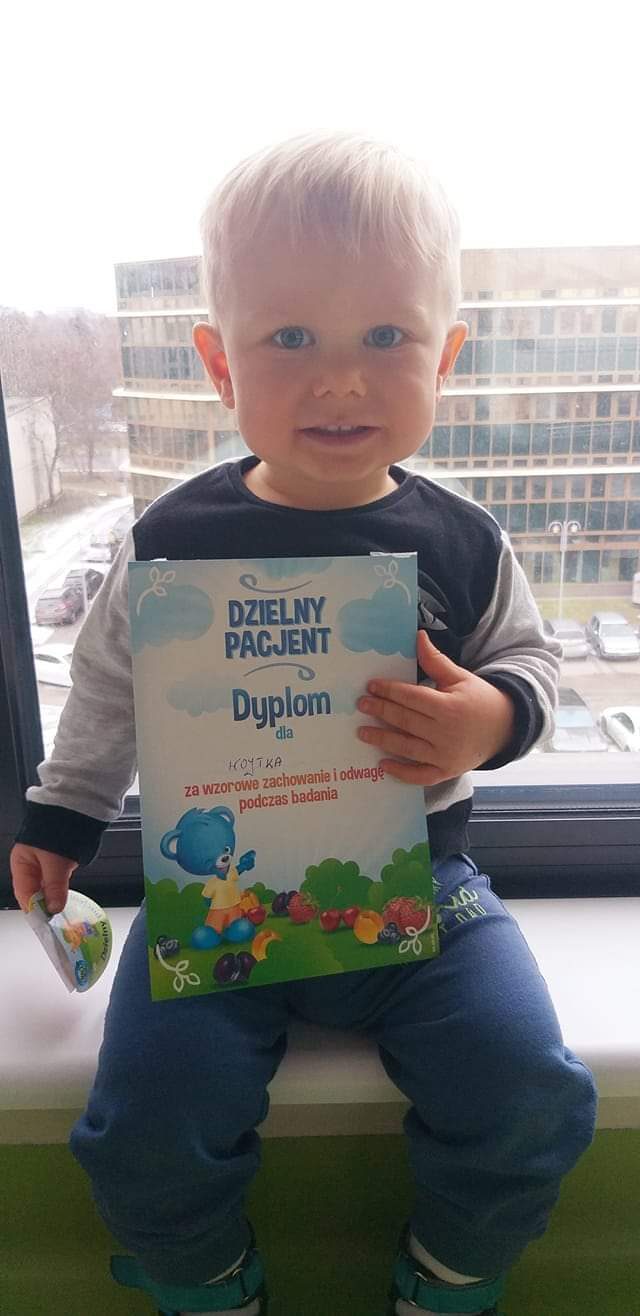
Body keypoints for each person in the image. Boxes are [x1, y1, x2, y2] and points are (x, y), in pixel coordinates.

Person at [11, 133, 597, 1316]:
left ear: (447, 356)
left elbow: (531, 661)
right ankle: (204, 1278)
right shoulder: (169, 539)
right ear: (218, 364)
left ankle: (450, 1272)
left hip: (425, 891)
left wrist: (488, 717)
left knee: (532, 1089)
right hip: (217, 896)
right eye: (290, 338)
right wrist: (62, 816)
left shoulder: (463, 538)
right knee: (142, 1122)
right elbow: (109, 685)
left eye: (384, 336)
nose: (339, 380)